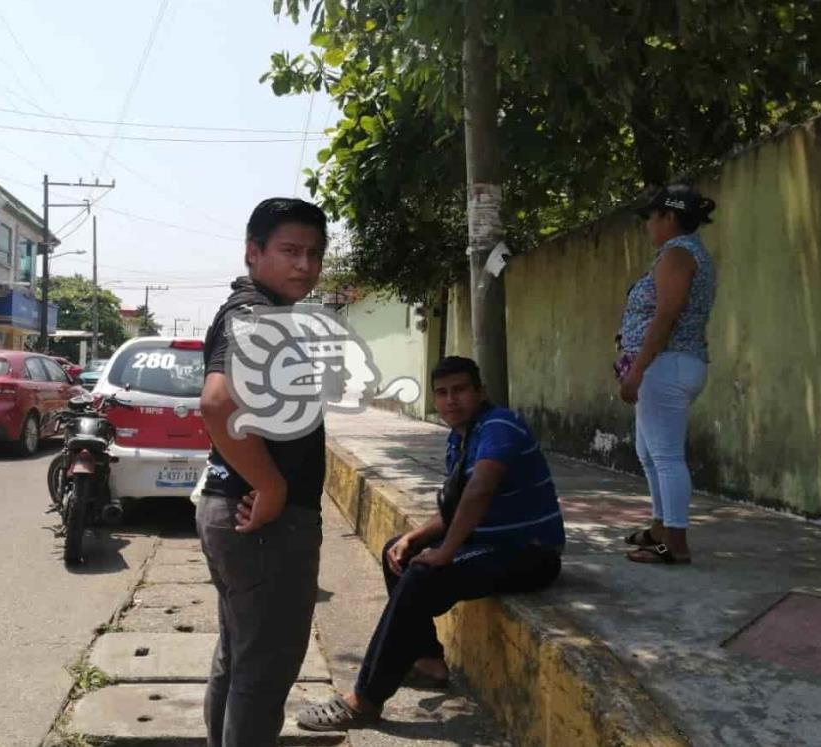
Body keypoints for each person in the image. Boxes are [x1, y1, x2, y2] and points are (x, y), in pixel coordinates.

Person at [296, 356, 565, 732]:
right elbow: (457, 509)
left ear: (480, 392)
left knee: (422, 576)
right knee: (399, 552)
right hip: (494, 543)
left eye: (460, 390)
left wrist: (446, 551)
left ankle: (365, 700)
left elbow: (480, 489)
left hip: (530, 552)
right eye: (442, 393)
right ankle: (428, 663)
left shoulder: (500, 425)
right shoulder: (462, 436)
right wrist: (413, 538)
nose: (451, 400)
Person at [196, 197, 328, 747]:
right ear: (254, 253)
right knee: (264, 670)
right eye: (289, 251)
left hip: (236, 510)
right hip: (265, 521)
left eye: (314, 254)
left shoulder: (257, 311)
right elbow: (217, 402)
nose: (304, 265)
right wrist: (271, 485)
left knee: (240, 658)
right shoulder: (257, 316)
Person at [616, 183, 717, 564]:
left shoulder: (678, 254)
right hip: (667, 364)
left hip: (666, 364)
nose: (647, 226)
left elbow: (667, 315)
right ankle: (660, 527)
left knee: (666, 455)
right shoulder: (680, 254)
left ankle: (674, 544)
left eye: (651, 217)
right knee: (648, 452)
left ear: (670, 217)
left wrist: (636, 371)